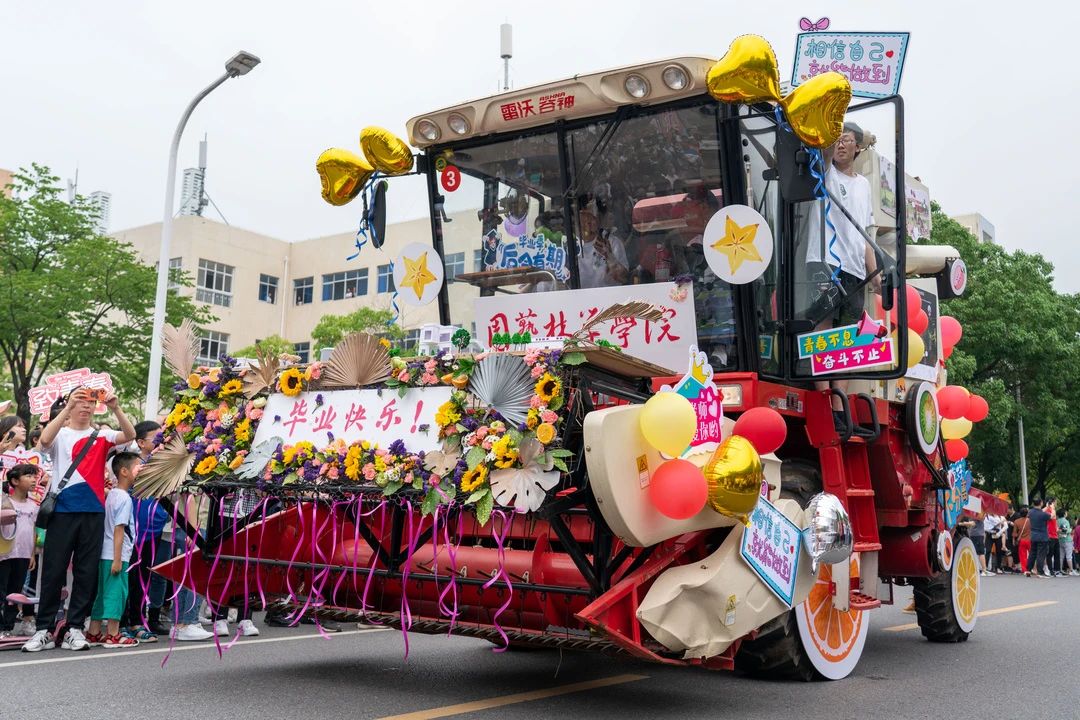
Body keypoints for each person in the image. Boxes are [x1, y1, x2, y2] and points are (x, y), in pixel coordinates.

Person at [22, 388, 135, 653]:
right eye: (80, 402)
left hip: (94, 512)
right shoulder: (60, 433)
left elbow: (130, 436)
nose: (85, 407)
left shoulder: (102, 435)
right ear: (71, 405)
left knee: (86, 572)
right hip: (62, 511)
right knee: (53, 571)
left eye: (90, 403)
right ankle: (44, 629)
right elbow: (44, 441)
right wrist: (64, 408)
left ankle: (75, 627)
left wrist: (116, 408)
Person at [804, 122, 881, 430]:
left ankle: (840, 406)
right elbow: (821, 150)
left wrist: (874, 273)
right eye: (837, 140)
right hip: (823, 261)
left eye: (847, 140)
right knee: (822, 333)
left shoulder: (863, 185)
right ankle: (824, 402)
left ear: (857, 148)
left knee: (849, 339)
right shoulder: (825, 172)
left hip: (854, 268)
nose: (840, 145)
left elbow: (865, 232)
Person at [85, 452, 139, 649]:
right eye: (138, 467)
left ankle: (94, 631)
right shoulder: (124, 498)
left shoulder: (113, 495)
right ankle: (114, 635)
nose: (141, 471)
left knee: (102, 593)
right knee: (117, 594)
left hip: (105, 553)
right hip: (117, 554)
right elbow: (119, 529)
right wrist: (118, 559)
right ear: (124, 471)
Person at [124, 420, 166, 640]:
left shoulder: (163, 462)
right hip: (134, 529)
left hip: (155, 528)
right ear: (140, 442)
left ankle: (138, 620)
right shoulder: (131, 464)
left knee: (145, 577)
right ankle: (123, 621)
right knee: (129, 575)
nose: (161, 441)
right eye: (155, 437)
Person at [0, 465, 40, 638]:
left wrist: (32, 554)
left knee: (15, 593)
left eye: (34, 476)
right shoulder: (4, 502)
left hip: (23, 555)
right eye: (28, 476)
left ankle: (7, 628)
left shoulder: (33, 506)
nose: (33, 479)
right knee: (1, 591)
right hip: (4, 554)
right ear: (15, 481)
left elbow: (33, 531)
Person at [576, 197, 629, 289]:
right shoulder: (568, 244)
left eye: (593, 217)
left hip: (608, 299)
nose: (589, 222)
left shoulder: (612, 242)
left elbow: (623, 278)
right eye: (585, 216)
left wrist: (610, 257)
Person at [1026, 499, 1051, 578]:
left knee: (1032, 553)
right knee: (1040, 554)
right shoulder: (1043, 514)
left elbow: (1039, 511)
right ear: (1041, 503)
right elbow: (1052, 516)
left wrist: (1046, 507)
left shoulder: (1030, 512)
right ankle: (1040, 572)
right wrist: (1052, 508)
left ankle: (1028, 570)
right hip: (1042, 537)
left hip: (1033, 536)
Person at [1046, 499, 1061, 576]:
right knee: (1050, 554)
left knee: (1057, 554)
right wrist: (1052, 509)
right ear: (1050, 503)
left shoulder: (1052, 510)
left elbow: (1054, 522)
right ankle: (1050, 570)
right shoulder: (1048, 510)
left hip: (1055, 535)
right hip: (1050, 536)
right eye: (1055, 502)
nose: (1056, 504)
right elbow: (1052, 517)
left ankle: (1057, 570)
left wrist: (1057, 529)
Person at [1013, 507, 1031, 573]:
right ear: (1027, 514)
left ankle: (1024, 569)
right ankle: (1032, 568)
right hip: (1030, 539)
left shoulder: (1016, 521)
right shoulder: (1030, 520)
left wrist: (1013, 540)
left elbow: (1014, 533)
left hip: (1022, 540)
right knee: (1032, 554)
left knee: (1022, 556)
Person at [1057, 509, 1073, 576]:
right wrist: (1070, 529)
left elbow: (1058, 530)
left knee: (1061, 556)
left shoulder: (1057, 521)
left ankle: (1060, 569)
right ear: (1064, 514)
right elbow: (1065, 531)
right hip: (1067, 540)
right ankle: (1071, 570)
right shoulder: (1065, 521)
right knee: (1069, 556)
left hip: (1060, 540)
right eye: (1066, 512)